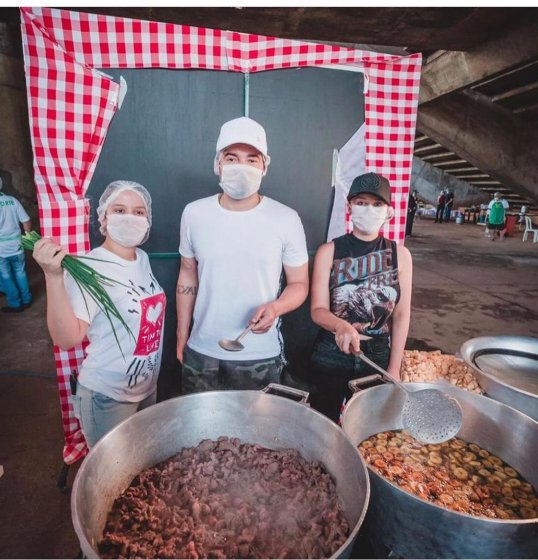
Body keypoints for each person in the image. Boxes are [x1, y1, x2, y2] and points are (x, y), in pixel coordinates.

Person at [176, 116, 309, 393]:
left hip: (259, 354)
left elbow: (299, 284)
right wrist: (182, 333)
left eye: (252, 159)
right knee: (198, 433)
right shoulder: (194, 213)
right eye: (232, 158)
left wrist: (276, 308)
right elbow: (188, 272)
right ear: (218, 164)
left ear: (264, 167)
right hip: (201, 352)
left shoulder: (286, 218)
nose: (242, 166)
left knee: (255, 434)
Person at [32, 181, 166, 448]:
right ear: (103, 218)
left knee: (142, 464)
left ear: (148, 220)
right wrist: (53, 277)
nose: (130, 217)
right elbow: (67, 338)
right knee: (113, 479)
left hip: (146, 389)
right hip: (107, 398)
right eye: (119, 210)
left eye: (139, 212)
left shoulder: (141, 258)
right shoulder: (90, 267)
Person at [308, 172, 412, 422]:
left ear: (388, 211)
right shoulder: (329, 251)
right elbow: (318, 310)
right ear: (350, 206)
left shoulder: (401, 255)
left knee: (369, 428)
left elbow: (401, 314)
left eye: (377, 204)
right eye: (361, 202)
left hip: (376, 355)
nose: (369, 209)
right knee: (324, 423)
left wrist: (394, 367)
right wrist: (341, 325)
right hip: (332, 350)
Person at [0, 176, 33, 312]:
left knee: (6, 276)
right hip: (17, 245)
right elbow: (26, 221)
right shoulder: (12, 201)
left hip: (1, 249)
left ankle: (15, 304)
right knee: (20, 273)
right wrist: (27, 236)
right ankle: (27, 299)